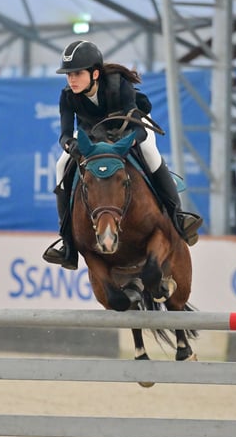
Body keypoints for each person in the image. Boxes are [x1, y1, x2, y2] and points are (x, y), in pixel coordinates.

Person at [43, 40, 203, 270]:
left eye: (77, 73)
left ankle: (177, 216)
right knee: (61, 166)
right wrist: (71, 145)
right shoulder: (67, 96)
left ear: (95, 73)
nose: (72, 79)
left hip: (130, 129)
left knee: (148, 150)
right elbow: (65, 134)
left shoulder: (120, 85)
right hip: (93, 135)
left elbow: (138, 128)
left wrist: (125, 143)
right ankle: (66, 242)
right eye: (68, 74)